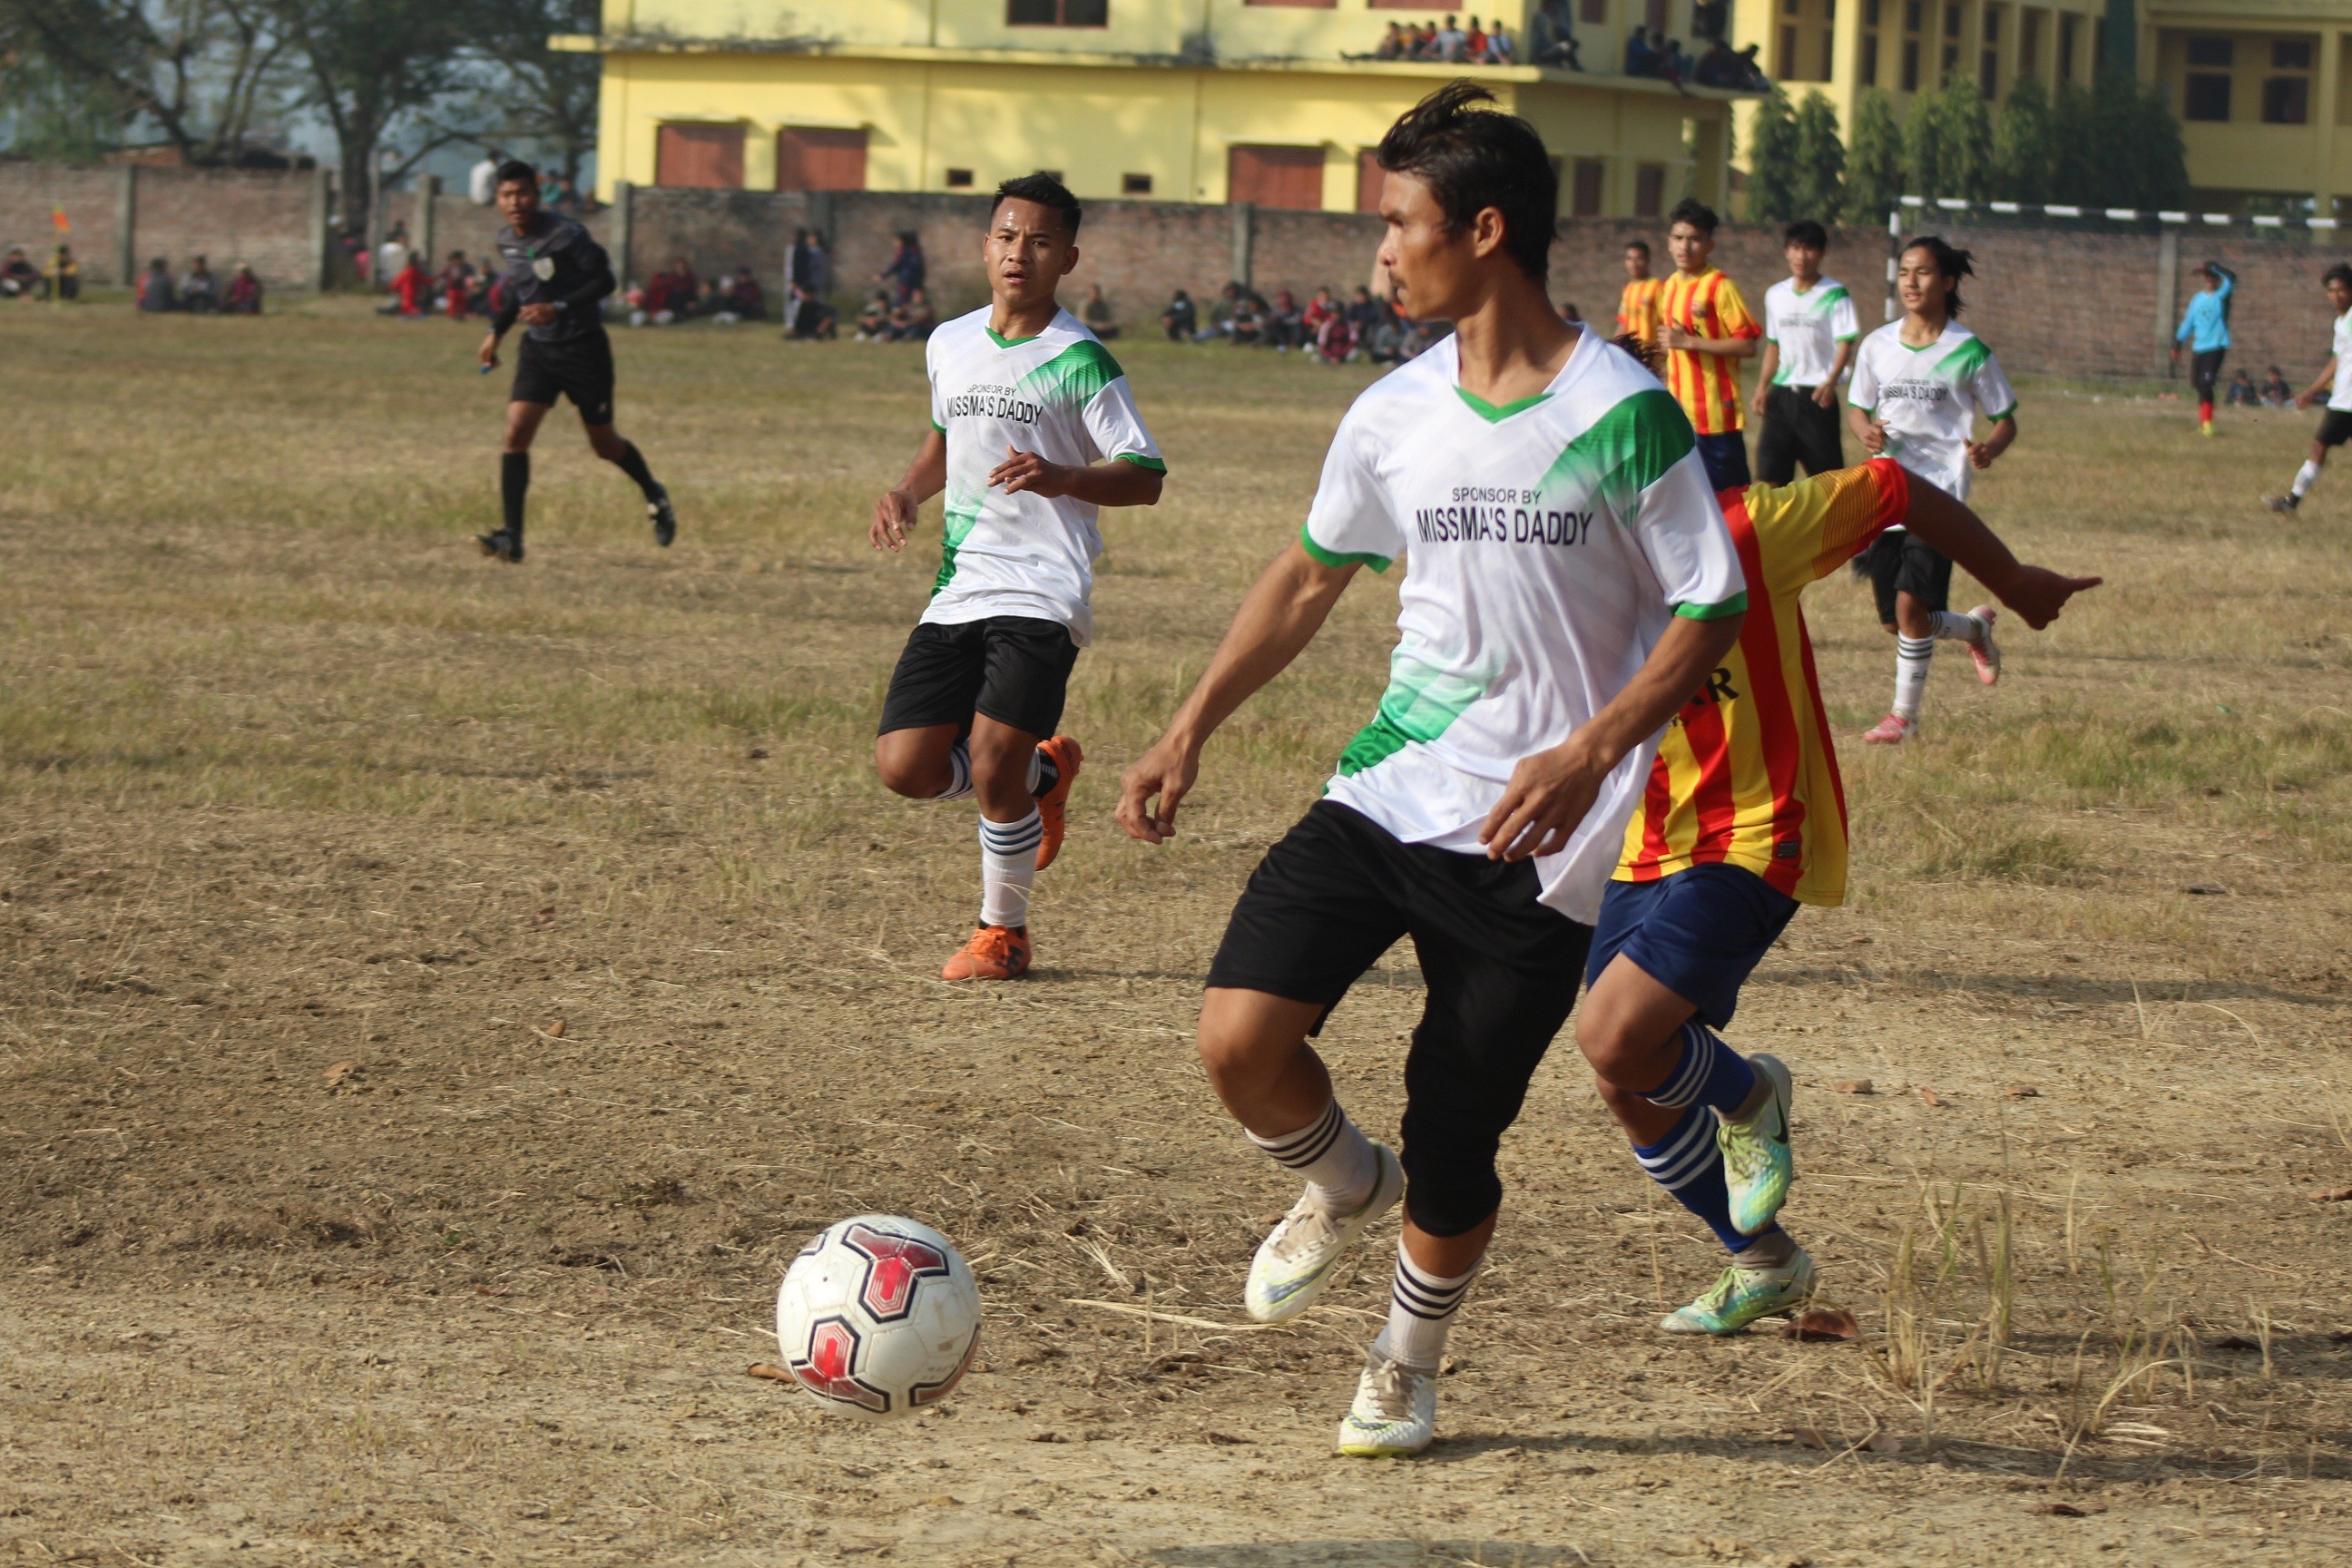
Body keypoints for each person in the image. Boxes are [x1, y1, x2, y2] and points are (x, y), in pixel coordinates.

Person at [1115, 83, 1746, 1461]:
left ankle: (1407, 1363)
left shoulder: (1624, 411)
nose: (1382, 253)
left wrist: (1590, 752)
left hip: (1541, 842)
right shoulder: (1394, 409)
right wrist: (1187, 726)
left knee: (1458, 1143)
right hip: (1389, 789)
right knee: (1236, 1039)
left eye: (1401, 224)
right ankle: (1341, 1181)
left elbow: (1713, 606)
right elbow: (1305, 578)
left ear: (1486, 230)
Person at [1577, 459, 2098, 1334]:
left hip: (1755, 827)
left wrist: (2009, 582)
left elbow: (1895, 486)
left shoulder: (1743, 531)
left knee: (1613, 1033)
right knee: (1624, 1077)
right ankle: (1764, 1262)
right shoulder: (1558, 562)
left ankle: (1749, 1097)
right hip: (1644, 842)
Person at [867, 174, 1166, 984]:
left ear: (1066, 258)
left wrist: (1066, 477)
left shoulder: (1080, 360)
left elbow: (1144, 475)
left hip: (1042, 585)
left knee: (991, 765)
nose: (1017, 254)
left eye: (1038, 242)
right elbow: (943, 441)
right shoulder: (949, 342)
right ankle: (1047, 775)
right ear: (985, 244)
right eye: (1006, 236)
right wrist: (904, 490)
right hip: (962, 583)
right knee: (906, 767)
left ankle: (1004, 934)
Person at [1846, 236, 2017, 743]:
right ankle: (1973, 629)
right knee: (1898, 623)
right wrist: (1864, 432)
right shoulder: (1877, 344)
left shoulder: (1968, 351)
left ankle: (1904, 718)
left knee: (1908, 609)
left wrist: (1989, 449)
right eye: (1904, 273)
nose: (1911, 282)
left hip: (1940, 497)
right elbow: (1857, 408)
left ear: (1946, 282)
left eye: (1922, 273)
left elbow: (2006, 419)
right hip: (1886, 492)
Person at [475, 158, 675, 564]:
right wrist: (497, 331)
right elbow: (522, 290)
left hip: (584, 350)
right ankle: (512, 536)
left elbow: (605, 281)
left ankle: (654, 492)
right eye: (506, 195)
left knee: (604, 445)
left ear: (537, 192)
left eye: (523, 193)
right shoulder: (507, 241)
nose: (515, 202)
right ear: (497, 199)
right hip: (539, 350)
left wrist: (560, 306)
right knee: (515, 433)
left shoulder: (567, 234)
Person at [1658, 198, 1761, 490]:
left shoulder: (1720, 286)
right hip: (1679, 415)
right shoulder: (1669, 287)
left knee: (1731, 502)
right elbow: (1671, 347)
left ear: (1709, 245)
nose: (1684, 247)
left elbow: (1747, 345)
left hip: (1715, 416)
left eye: (1694, 239)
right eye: (1678, 238)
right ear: (1668, 242)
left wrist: (1689, 341)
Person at [1751, 220, 1857, 483]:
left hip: (1817, 397)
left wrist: (1831, 381)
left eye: (1809, 249)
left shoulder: (1835, 295)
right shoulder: (1775, 294)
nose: (1801, 256)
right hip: (1783, 395)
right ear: (1787, 251)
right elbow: (1774, 346)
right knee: (1769, 480)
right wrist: (1762, 387)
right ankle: (1776, 525)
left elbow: (1846, 343)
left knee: (1828, 483)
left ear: (1821, 253)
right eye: (1795, 248)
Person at [2264, 263, 2352, 514]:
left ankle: (2292, 502)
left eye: (2342, 290)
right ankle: (2292, 501)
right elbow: (2337, 360)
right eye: (2332, 291)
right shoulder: (2341, 322)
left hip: (2347, 403)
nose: (2336, 296)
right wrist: (2313, 391)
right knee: (2319, 447)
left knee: (2319, 446)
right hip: (2342, 398)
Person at [2171, 260, 2235, 437]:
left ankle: (2208, 425)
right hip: (2199, 347)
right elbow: (2188, 322)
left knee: (2206, 383)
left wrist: (2215, 266)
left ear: (2216, 278)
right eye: (2205, 276)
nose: (2208, 279)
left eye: (2210, 276)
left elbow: (2231, 278)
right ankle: (2203, 423)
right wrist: (2177, 342)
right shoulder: (2197, 299)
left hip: (2216, 346)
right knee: (2196, 383)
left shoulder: (2221, 296)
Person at [1614, 239, 1663, 350]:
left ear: (1647, 261)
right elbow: (1623, 322)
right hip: (1632, 354)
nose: (1634, 264)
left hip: (1650, 354)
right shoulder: (1628, 289)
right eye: (1630, 259)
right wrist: (1614, 346)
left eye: (1639, 259)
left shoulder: (1657, 287)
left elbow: (1666, 322)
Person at [879, 231, 926, 303]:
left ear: (902, 241)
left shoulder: (904, 252)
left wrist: (882, 276)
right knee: (914, 301)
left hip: (906, 281)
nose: (894, 243)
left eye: (896, 241)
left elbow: (896, 265)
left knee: (903, 301)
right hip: (916, 282)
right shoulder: (915, 251)